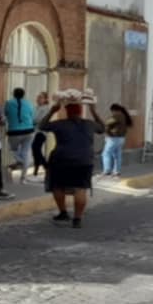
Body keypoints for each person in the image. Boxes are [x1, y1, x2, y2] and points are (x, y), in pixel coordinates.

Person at [39, 91, 104, 228]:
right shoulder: (89, 124)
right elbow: (102, 128)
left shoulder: (60, 124)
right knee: (81, 189)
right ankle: (77, 219)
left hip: (61, 160)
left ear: (67, 112)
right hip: (84, 160)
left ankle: (63, 212)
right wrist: (93, 111)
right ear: (80, 112)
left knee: (57, 186)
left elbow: (42, 126)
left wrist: (52, 111)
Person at [4, 87, 37, 180]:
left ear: (13, 94)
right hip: (29, 131)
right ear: (23, 95)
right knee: (26, 152)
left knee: (13, 149)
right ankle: (24, 175)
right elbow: (32, 116)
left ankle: (20, 161)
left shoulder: (9, 103)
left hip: (14, 132)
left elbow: (5, 114)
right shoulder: (29, 104)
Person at [101, 102, 133, 177]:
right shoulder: (123, 115)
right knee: (117, 155)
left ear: (114, 110)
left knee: (106, 153)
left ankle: (107, 170)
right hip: (121, 138)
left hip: (114, 138)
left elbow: (107, 122)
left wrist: (106, 129)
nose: (112, 113)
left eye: (111, 111)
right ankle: (116, 171)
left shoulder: (117, 115)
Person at [30, 90, 52, 178]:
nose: (38, 99)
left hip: (41, 132)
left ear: (45, 99)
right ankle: (37, 167)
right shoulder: (36, 108)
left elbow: (38, 119)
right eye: (38, 97)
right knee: (35, 150)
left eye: (40, 98)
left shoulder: (46, 108)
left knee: (36, 148)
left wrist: (31, 121)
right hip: (35, 131)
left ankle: (46, 167)